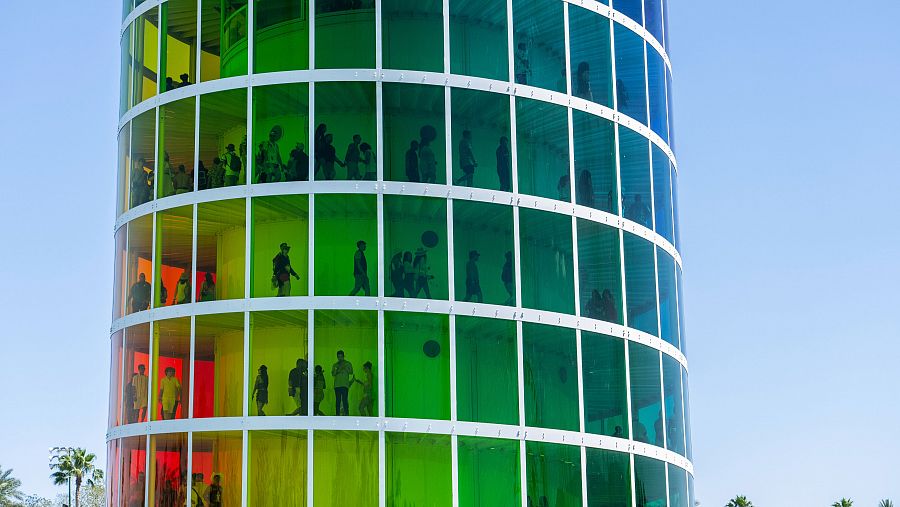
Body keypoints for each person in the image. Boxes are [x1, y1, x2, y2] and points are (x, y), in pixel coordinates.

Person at [331, 351, 354, 416]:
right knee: (337, 400)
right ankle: (337, 415)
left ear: (343, 356)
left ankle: (346, 414)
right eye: (338, 357)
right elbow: (333, 374)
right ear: (337, 357)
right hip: (337, 385)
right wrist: (339, 369)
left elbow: (351, 372)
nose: (340, 358)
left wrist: (345, 368)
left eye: (341, 356)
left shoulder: (348, 363)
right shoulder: (335, 365)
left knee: (344, 400)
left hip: (344, 385)